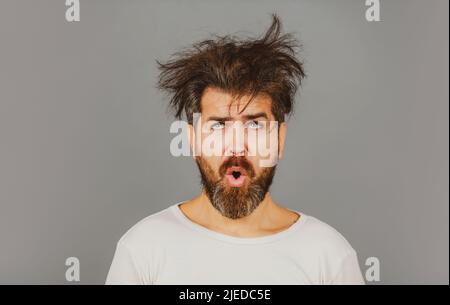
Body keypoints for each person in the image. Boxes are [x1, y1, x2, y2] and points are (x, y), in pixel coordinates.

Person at [106, 15, 365, 285]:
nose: (236, 147)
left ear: (279, 139)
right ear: (193, 140)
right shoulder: (142, 249)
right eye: (218, 126)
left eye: (254, 125)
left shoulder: (329, 256)